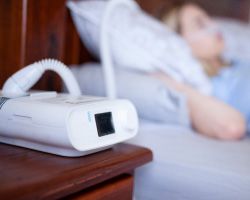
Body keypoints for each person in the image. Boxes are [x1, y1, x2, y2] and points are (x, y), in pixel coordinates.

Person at [151, 1, 248, 140]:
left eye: (208, 18)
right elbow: (230, 127)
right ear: (178, 42)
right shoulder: (213, 87)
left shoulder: (235, 63)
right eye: (200, 24)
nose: (214, 26)